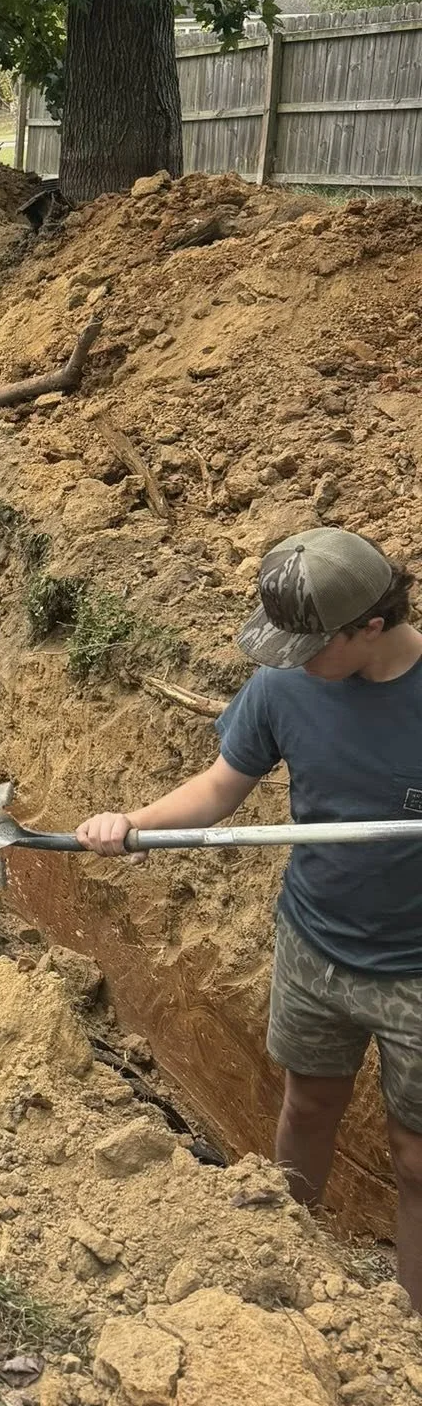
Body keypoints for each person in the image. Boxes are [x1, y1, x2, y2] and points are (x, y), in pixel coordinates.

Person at [75, 527, 422, 1306]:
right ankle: (280, 1260)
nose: (287, 659)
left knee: (415, 1157)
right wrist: (132, 826)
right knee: (307, 1105)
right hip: (315, 946)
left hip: (417, 974)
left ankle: (407, 1333)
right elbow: (221, 787)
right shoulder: (283, 686)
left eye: (305, 645)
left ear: (370, 626)